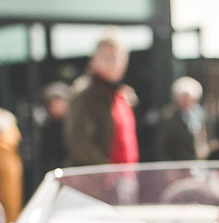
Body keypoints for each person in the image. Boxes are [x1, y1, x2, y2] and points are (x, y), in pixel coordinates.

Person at [66, 37, 139, 168]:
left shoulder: (120, 95)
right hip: (100, 177)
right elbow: (81, 144)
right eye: (108, 57)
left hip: (126, 175)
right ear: (94, 60)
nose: (114, 63)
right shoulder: (85, 96)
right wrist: (108, 172)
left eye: (118, 58)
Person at [152, 77, 204, 161]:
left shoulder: (198, 115)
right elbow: (161, 147)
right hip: (177, 164)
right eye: (184, 98)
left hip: (195, 163)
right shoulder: (168, 116)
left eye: (190, 98)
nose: (187, 101)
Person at [32, 81, 69, 189]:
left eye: (58, 102)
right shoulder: (46, 127)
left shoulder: (72, 125)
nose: (55, 107)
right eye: (51, 104)